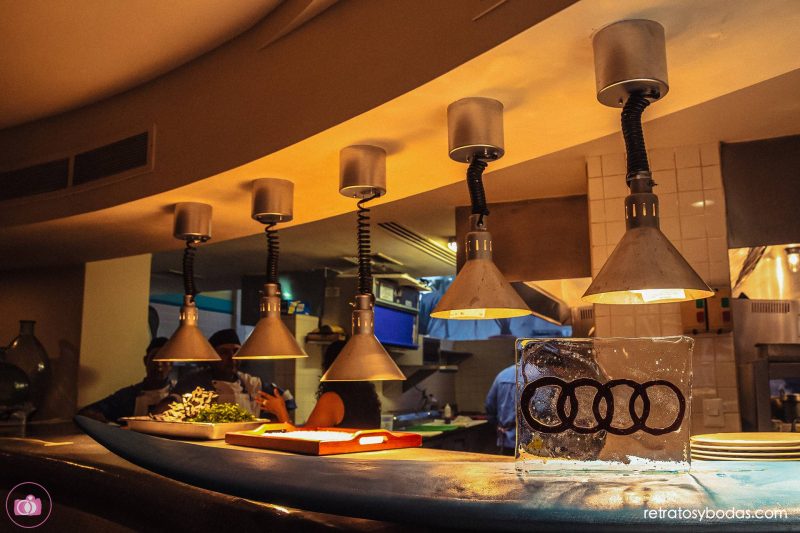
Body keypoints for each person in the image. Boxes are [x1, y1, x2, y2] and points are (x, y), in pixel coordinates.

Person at [258, 340, 381, 428]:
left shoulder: (332, 399)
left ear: (329, 367)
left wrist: (281, 412)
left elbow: (305, 444)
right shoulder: (367, 397)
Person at [167, 329, 273, 417]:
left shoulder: (252, 384)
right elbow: (170, 405)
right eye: (224, 352)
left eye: (236, 351)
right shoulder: (193, 382)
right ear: (212, 357)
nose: (232, 358)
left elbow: (282, 400)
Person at [78, 337, 172, 423]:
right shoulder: (127, 396)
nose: (159, 363)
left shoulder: (176, 395)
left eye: (164, 359)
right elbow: (87, 413)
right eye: (154, 358)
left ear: (171, 363)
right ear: (145, 360)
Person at [485, 364, 517, 456]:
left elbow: (489, 405)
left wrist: (498, 425)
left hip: (506, 438)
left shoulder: (502, 375)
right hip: (533, 443)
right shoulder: (539, 376)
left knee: (507, 464)